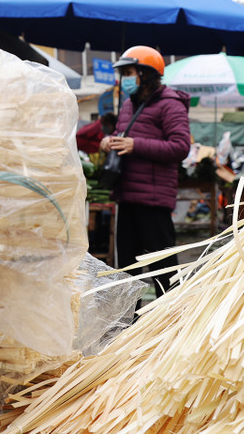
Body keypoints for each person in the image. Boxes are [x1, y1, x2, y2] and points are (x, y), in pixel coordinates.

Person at [100, 45, 190, 299]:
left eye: (129, 72)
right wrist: (110, 141)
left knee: (162, 268)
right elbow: (124, 135)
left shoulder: (170, 104)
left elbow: (180, 146)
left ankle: (169, 318)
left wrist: (135, 145)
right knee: (128, 267)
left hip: (153, 199)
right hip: (127, 194)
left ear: (147, 73)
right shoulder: (129, 104)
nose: (125, 79)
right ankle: (131, 322)